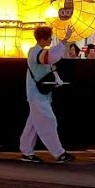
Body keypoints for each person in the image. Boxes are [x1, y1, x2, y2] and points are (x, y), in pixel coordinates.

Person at [20, 26, 74, 164]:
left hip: (38, 94)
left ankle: (26, 151)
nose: (51, 40)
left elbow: (50, 61)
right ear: (43, 38)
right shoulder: (35, 52)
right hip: (37, 95)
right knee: (48, 121)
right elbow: (51, 58)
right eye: (50, 37)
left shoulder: (37, 52)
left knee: (32, 125)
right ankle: (59, 153)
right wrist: (64, 41)